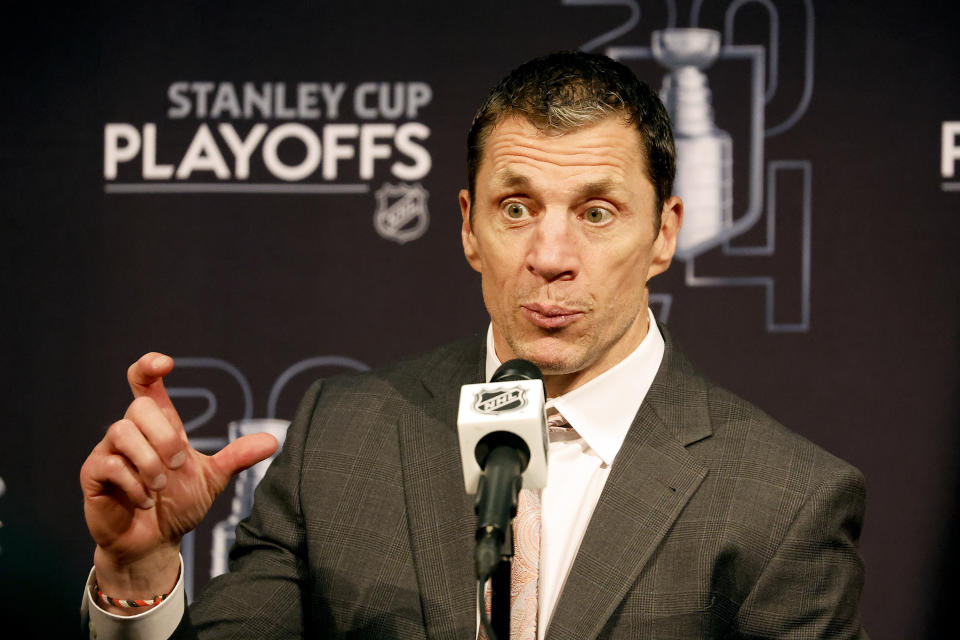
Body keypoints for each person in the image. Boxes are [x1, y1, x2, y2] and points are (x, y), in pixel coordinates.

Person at [80, 51, 867, 639]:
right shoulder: (341, 437)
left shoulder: (784, 501)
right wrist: (137, 573)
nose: (550, 255)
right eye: (517, 208)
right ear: (467, 226)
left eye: (597, 213)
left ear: (664, 234)